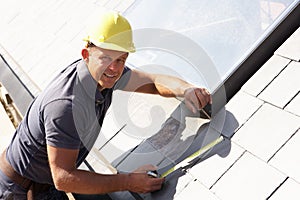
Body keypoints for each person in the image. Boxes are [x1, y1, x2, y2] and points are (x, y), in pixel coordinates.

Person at [0, 11, 212, 199]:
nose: (114, 67)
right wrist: (129, 181)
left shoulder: (103, 75)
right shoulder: (66, 105)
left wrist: (185, 89)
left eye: (121, 59)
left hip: (43, 184)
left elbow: (152, 82)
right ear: (86, 54)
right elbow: (64, 178)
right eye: (106, 57)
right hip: (17, 191)